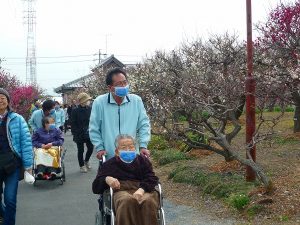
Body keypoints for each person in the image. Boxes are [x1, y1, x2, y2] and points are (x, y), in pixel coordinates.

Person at [92, 134, 159, 225]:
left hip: (143, 189)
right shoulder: (110, 164)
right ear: (117, 151)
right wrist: (106, 179)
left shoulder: (142, 161)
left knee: (148, 201)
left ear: (135, 148)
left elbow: (151, 178)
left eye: (131, 147)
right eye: (124, 148)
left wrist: (141, 190)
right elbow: (95, 187)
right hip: (121, 190)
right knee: (126, 201)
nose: (128, 150)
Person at [89, 67, 151, 160]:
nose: (123, 86)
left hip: (132, 155)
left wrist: (143, 146)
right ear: (110, 88)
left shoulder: (136, 101)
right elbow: (94, 128)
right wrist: (100, 148)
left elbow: (144, 124)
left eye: (125, 82)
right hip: (109, 156)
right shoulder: (100, 103)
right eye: (119, 84)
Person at [0, 88, 33, 225]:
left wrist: (28, 166)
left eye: (3, 97)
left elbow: (26, 143)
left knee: (10, 199)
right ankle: (4, 215)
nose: (0, 100)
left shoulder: (17, 119)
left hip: (12, 164)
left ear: (8, 101)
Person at [71, 92, 93, 173]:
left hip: (88, 133)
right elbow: (72, 123)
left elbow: (92, 121)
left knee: (90, 148)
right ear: (83, 101)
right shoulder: (75, 111)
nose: (89, 101)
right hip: (79, 133)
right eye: (88, 100)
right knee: (81, 150)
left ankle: (86, 161)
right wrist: (75, 133)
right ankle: (82, 165)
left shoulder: (90, 109)